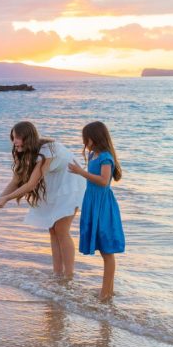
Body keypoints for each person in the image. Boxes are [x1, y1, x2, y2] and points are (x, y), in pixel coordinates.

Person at [0, 121, 86, 279]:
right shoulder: (25, 151)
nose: (15, 142)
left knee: (61, 230)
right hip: (55, 184)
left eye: (18, 138)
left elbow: (31, 184)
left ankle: (69, 277)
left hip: (71, 183)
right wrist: (1, 197)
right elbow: (16, 180)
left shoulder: (47, 150)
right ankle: (57, 274)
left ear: (29, 137)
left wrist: (6, 199)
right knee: (52, 229)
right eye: (13, 138)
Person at [69, 121, 125, 301]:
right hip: (92, 203)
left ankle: (105, 293)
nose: (84, 141)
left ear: (95, 137)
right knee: (104, 250)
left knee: (107, 251)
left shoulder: (105, 157)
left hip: (103, 206)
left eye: (86, 138)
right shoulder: (93, 154)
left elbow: (103, 181)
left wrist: (80, 172)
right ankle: (108, 292)